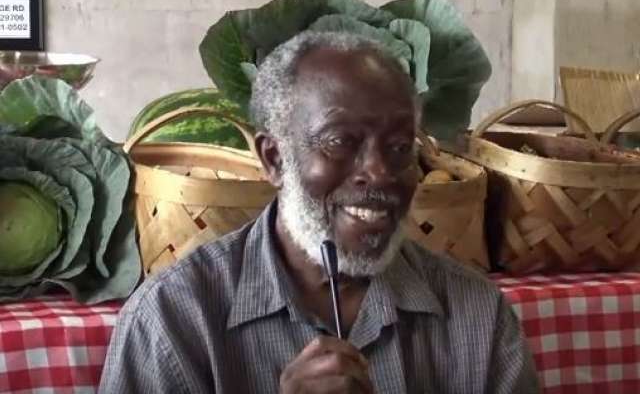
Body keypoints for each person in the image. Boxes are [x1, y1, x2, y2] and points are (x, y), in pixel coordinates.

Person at [99, 31, 540, 393]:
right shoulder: (172, 320)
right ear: (274, 159)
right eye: (340, 141)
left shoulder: (476, 317)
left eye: (400, 148)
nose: (379, 173)